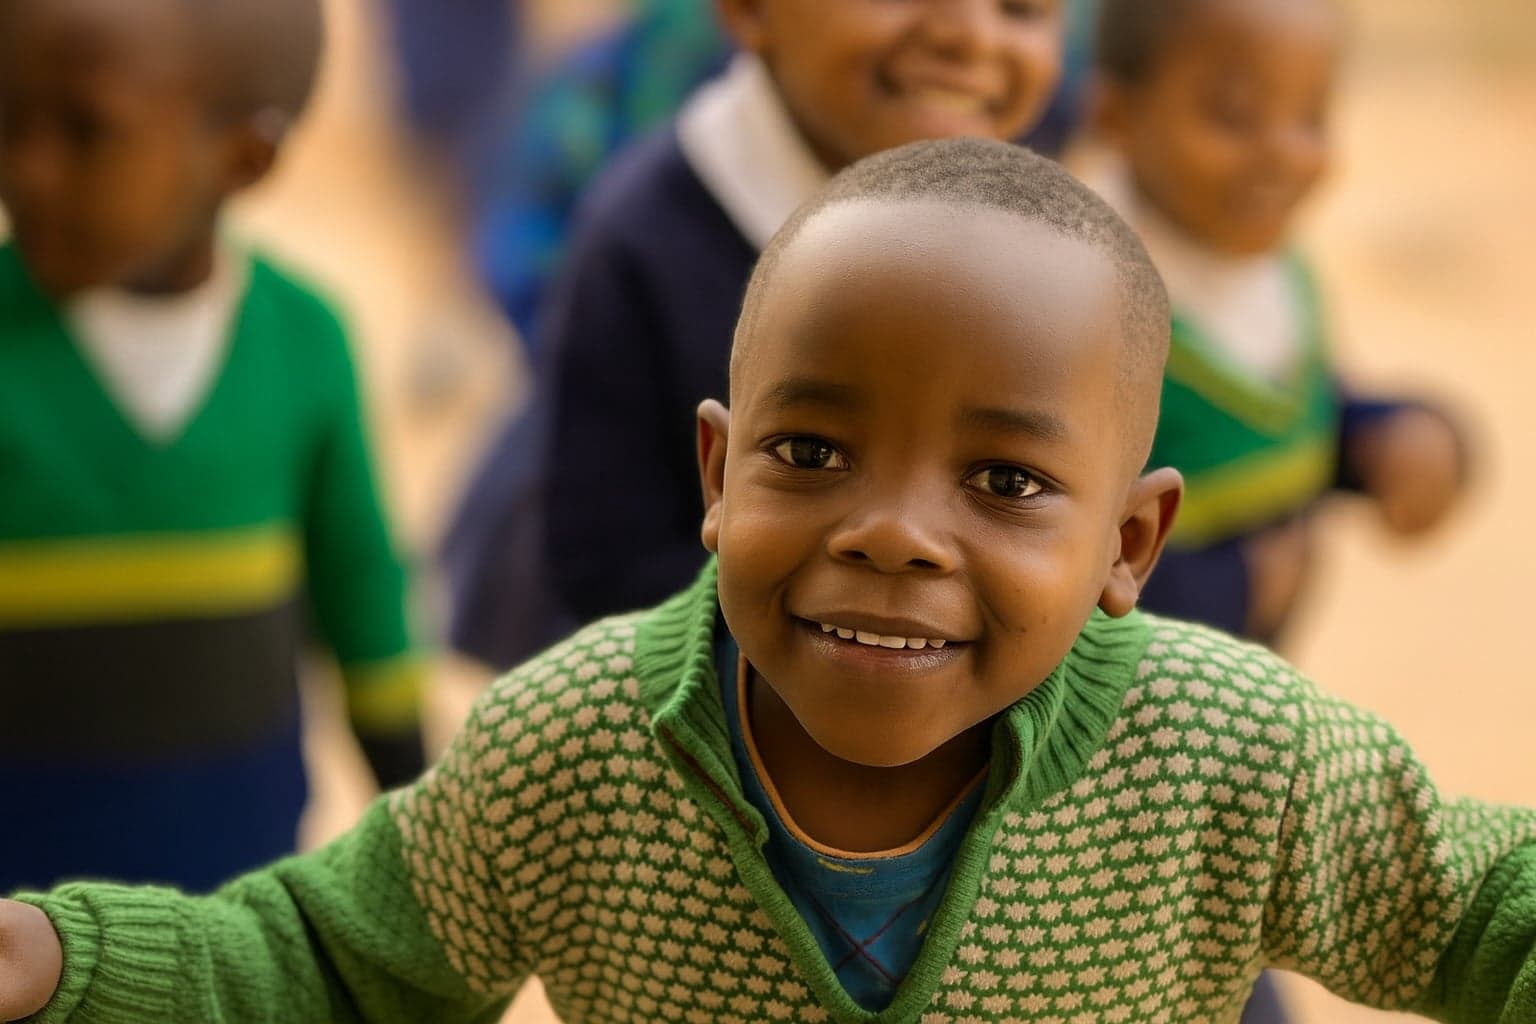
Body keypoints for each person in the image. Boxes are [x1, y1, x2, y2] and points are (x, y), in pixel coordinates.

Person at [5, 138, 1535, 1024]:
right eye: (813, 453)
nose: (892, 532)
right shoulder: (578, 746)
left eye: (1005, 484)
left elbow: (1474, 905)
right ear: (717, 473)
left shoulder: (1233, 756)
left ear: (1130, 544)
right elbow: (329, 959)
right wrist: (57, 954)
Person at [442, 0, 1068, 671]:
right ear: (747, 10)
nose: (970, 37)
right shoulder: (643, 242)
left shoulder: (1044, 258)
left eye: (1020, 8)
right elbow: (604, 567)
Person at [0, 0, 426, 895]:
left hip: (236, 887)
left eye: (84, 131)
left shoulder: (302, 339)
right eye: (7, 116)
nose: (26, 169)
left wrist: (422, 834)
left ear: (243, 158)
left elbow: (360, 588)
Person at [1083, 0, 1469, 644]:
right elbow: (1048, 535)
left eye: (1311, 117)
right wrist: (1229, 583)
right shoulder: (1085, 302)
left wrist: (1394, 437)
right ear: (1117, 116)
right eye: (1235, 116)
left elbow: (1281, 411)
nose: (1285, 153)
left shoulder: (1272, 266)